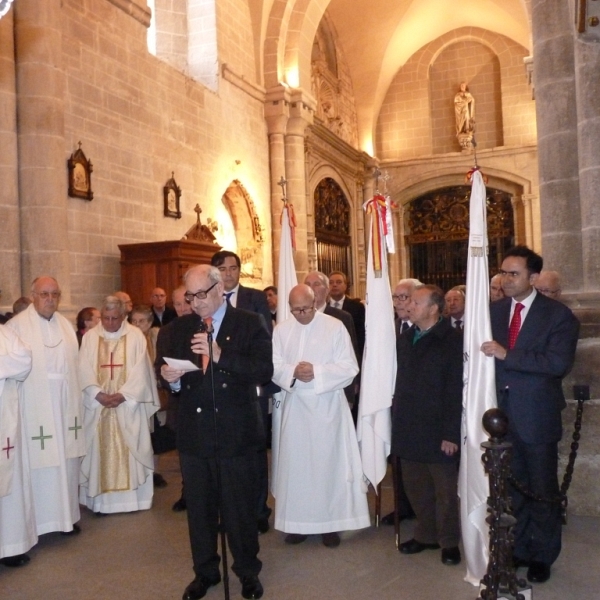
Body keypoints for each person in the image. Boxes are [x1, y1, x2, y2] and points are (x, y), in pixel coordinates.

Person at [159, 265, 272, 600]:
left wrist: (221, 355)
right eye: (190, 296)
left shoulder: (249, 323)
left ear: (219, 287)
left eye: (201, 295)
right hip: (195, 435)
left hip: (236, 432)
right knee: (200, 511)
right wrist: (171, 378)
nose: (195, 303)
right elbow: (167, 371)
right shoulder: (178, 329)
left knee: (239, 510)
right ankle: (205, 572)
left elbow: (263, 371)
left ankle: (248, 572)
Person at [481, 246, 579, 584]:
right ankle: (518, 548)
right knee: (511, 491)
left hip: (536, 416)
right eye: (504, 273)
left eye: (514, 274)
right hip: (500, 418)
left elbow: (556, 364)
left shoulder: (557, 316)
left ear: (533, 278)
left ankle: (543, 554)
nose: (506, 279)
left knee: (541, 490)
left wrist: (508, 354)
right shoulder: (492, 312)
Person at [271, 284, 370, 548]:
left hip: (327, 406)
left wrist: (317, 371)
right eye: (296, 310)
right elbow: (274, 364)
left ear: (315, 303)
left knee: (328, 466)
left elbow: (350, 365)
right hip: (296, 407)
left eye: (305, 308)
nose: (301, 314)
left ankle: (330, 524)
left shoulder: (334, 326)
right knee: (298, 466)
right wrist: (292, 371)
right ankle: (297, 523)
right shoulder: (281, 330)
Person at [7, 276, 85, 536]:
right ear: (33, 296)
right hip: (35, 405)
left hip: (65, 403)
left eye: (54, 294)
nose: (50, 299)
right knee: (42, 464)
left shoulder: (65, 325)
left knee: (66, 460)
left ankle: (67, 517)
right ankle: (41, 523)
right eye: (44, 294)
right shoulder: (16, 326)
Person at [392, 285, 463, 566]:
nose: (409, 305)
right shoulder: (406, 337)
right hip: (409, 425)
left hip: (437, 427)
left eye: (416, 302)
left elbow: (454, 388)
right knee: (416, 486)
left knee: (444, 490)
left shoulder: (451, 340)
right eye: (409, 301)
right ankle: (425, 534)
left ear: (434, 308)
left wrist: (450, 432)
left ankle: (448, 541)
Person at [211, 250, 274, 535]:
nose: (228, 273)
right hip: (218, 390)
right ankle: (228, 511)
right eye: (222, 268)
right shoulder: (207, 301)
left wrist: (230, 357)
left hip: (249, 385)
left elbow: (264, 341)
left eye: (233, 268)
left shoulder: (255, 298)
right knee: (223, 452)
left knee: (254, 451)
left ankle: (259, 510)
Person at [79, 296, 160, 515]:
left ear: (123, 316)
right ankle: (101, 502)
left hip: (127, 406)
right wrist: (97, 394)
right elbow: (83, 369)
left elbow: (142, 370)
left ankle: (134, 500)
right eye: (106, 318)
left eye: (115, 318)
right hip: (99, 406)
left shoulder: (135, 336)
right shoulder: (90, 338)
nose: (110, 322)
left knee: (131, 446)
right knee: (98, 450)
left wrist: (124, 395)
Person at [380, 278, 423, 527]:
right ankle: (402, 506)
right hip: (393, 401)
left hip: (419, 404)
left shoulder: (427, 328)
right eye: (395, 298)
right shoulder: (389, 328)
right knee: (396, 456)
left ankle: (424, 509)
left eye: (403, 297)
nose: (398, 303)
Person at [0, 325, 36, 568]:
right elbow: (14, 363)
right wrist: (5, 365)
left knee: (11, 484)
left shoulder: (6, 333)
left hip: (6, 419)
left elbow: (24, 361)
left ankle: (10, 546)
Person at [159, 285, 192, 512]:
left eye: (185, 303)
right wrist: (166, 373)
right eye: (177, 304)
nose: (182, 308)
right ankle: (187, 492)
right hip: (180, 400)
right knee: (185, 451)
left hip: (203, 399)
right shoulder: (167, 331)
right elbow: (159, 363)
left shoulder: (206, 326)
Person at [130, 304, 171, 488]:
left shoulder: (157, 336)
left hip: (155, 392)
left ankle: (154, 472)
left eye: (142, 321)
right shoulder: (128, 340)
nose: (138, 325)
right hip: (136, 394)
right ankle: (138, 470)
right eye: (134, 321)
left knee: (157, 436)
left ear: (150, 322)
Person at [304, 271, 359, 406]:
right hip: (303, 393)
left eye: (316, 284)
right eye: (307, 284)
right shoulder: (296, 317)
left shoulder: (341, 317)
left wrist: (350, 394)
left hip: (333, 391)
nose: (311, 288)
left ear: (327, 290)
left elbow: (351, 356)